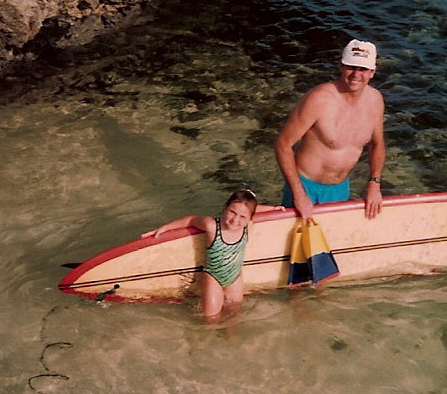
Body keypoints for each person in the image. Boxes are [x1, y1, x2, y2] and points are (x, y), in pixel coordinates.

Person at [274, 39, 385, 221]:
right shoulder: (319, 99)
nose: (356, 74)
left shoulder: (375, 101)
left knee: (332, 238)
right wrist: (299, 194)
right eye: (351, 67)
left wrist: (374, 183)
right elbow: (282, 144)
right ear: (341, 66)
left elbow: (377, 144)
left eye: (363, 69)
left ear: (372, 72)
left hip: (340, 190)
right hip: (306, 187)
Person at [144, 189, 259, 320]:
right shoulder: (212, 226)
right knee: (211, 319)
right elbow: (191, 220)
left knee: (233, 317)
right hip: (213, 278)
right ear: (225, 207)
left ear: (250, 217)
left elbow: (254, 208)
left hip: (235, 278)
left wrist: (275, 209)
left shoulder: (247, 226)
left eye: (243, 216)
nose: (235, 219)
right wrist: (165, 228)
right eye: (232, 212)